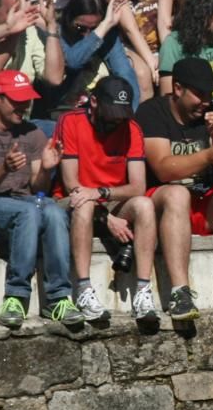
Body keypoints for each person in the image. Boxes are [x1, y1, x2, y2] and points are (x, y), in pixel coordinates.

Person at [136, 56, 213, 320]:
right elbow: (162, 169)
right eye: (199, 94)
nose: (205, 102)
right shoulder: (151, 112)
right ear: (178, 89)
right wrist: (207, 156)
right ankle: (180, 292)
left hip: (201, 204)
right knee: (177, 193)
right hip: (161, 204)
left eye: (209, 95)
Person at [0, 70, 85, 327]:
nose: (24, 105)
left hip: (26, 201)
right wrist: (4, 169)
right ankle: (16, 296)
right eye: (16, 100)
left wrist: (45, 168)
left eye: (26, 99)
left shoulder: (32, 133)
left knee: (53, 210)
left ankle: (59, 298)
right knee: (29, 212)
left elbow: (37, 188)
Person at [54, 75, 159, 322]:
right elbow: (71, 184)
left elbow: (138, 186)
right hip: (73, 199)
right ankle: (82, 288)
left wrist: (102, 196)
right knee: (84, 203)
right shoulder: (70, 121)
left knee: (144, 205)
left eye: (121, 114)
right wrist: (107, 216)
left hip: (107, 197)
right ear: (93, 102)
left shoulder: (131, 128)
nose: (116, 120)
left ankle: (143, 291)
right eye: (111, 113)